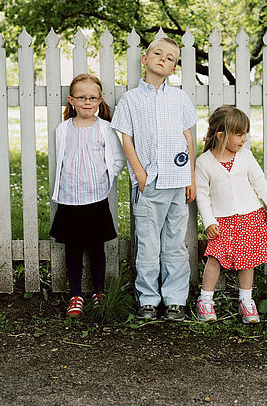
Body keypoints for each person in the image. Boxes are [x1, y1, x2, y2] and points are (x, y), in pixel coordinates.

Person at [111, 37, 198, 322]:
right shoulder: (131, 99)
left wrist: (191, 177)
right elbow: (127, 137)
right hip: (149, 182)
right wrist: (139, 173)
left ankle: (175, 300)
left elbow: (189, 139)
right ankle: (148, 299)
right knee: (148, 244)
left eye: (170, 58)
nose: (163, 59)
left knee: (175, 243)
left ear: (173, 68)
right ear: (145, 59)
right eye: (158, 53)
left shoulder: (180, 98)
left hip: (177, 181)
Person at [195, 106, 267, 324]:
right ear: (220, 136)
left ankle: (246, 300)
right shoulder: (204, 162)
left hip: (250, 216)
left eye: (245, 133)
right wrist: (208, 221)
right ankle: (205, 300)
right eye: (240, 134)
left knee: (247, 260)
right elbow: (202, 195)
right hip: (221, 221)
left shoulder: (245, 156)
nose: (245, 139)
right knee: (215, 259)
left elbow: (261, 184)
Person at [50, 73, 126, 318]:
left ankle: (99, 292)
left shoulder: (105, 128)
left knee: (96, 247)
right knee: (72, 248)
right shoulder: (63, 129)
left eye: (92, 98)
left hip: (95, 198)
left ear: (100, 100)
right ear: (71, 100)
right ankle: (75, 295)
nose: (87, 102)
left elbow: (118, 159)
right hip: (70, 198)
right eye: (81, 97)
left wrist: (105, 176)